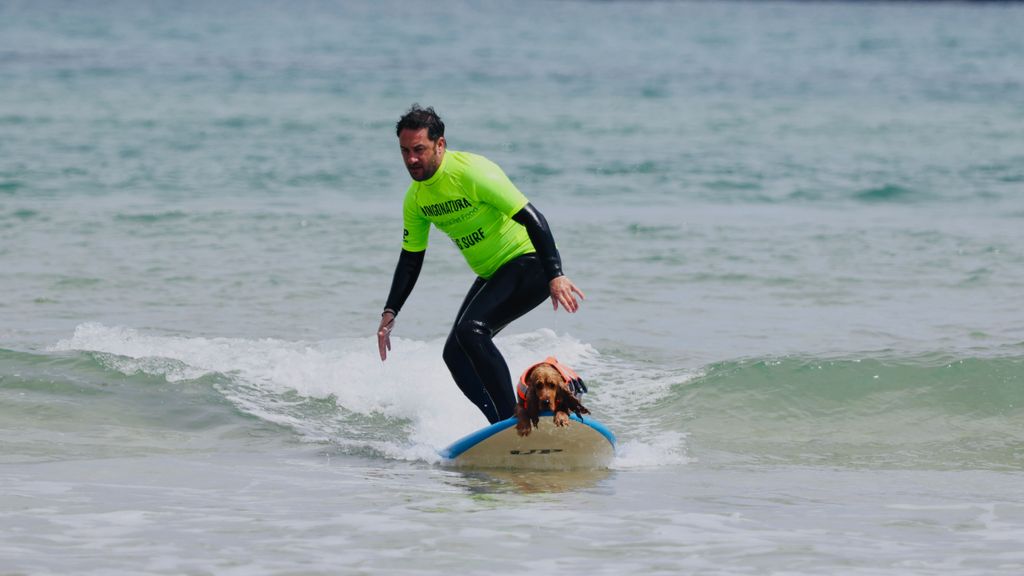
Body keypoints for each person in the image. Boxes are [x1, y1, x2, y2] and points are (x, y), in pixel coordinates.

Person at [376, 104, 585, 424]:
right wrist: (390, 311)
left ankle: (515, 419)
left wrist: (556, 274)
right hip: (493, 273)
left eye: (419, 149)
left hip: (530, 264)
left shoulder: (472, 172)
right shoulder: (416, 199)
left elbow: (534, 218)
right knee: (454, 354)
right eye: (404, 151)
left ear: (440, 144)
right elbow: (411, 258)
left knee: (472, 331)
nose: (411, 160)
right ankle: (501, 426)